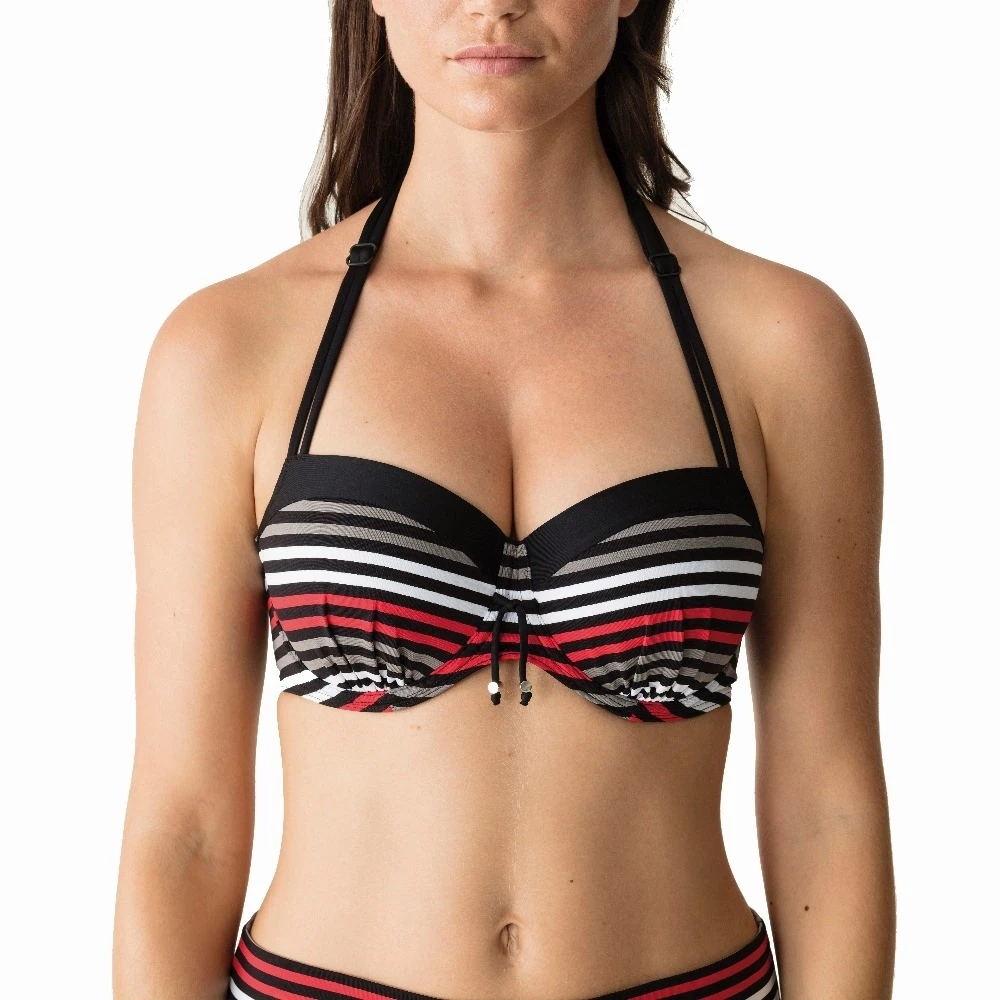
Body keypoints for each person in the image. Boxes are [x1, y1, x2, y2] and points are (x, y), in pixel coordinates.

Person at [112, 1, 895, 998]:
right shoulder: (229, 346)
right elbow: (183, 825)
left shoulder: (782, 340)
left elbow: (827, 802)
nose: (493, 5)